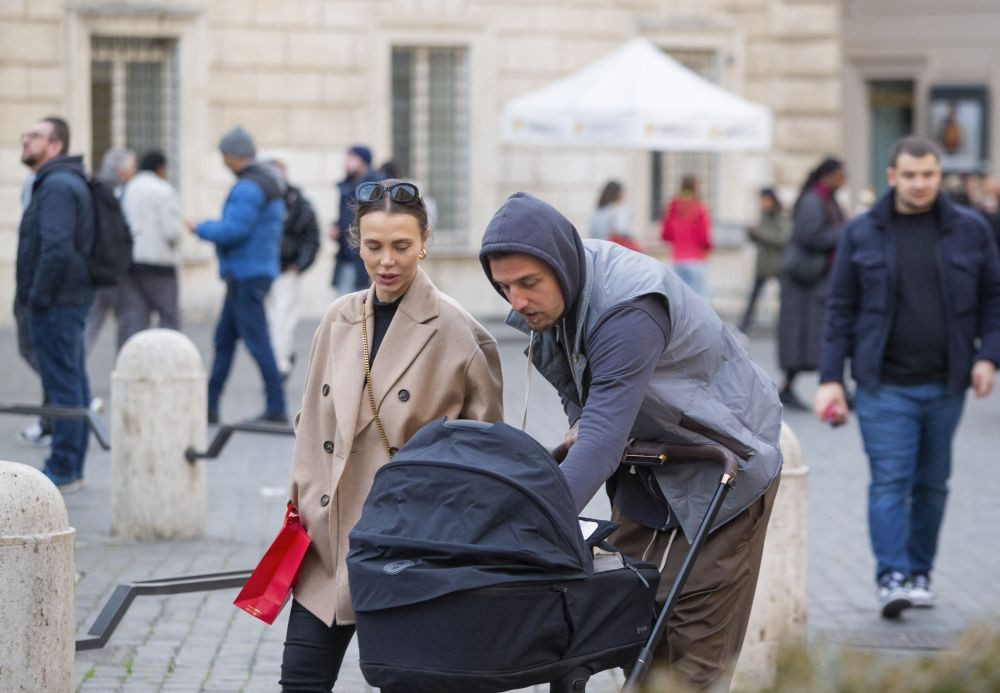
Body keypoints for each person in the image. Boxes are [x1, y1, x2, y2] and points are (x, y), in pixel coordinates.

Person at [480, 192, 782, 689]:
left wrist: (530, 529)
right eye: (503, 286)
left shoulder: (629, 310)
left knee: (691, 660)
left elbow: (599, 441)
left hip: (723, 471)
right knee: (637, 631)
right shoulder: (555, 294)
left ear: (560, 264)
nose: (516, 301)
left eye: (528, 283)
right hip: (646, 466)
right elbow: (579, 398)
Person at [281, 179, 503, 691]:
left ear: (424, 241)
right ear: (356, 243)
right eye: (373, 246)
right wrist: (304, 500)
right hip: (326, 541)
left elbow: (485, 459)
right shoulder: (338, 317)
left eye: (402, 246)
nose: (387, 261)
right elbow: (311, 423)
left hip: (407, 550)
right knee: (300, 682)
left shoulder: (459, 333)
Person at [814, 136, 1000, 619]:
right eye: (911, 175)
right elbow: (840, 308)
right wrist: (830, 378)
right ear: (892, 176)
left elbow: (993, 299)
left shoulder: (970, 230)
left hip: (947, 383)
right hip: (882, 385)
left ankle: (919, 573)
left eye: (929, 174)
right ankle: (892, 576)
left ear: (939, 175)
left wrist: (988, 357)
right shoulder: (862, 232)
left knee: (933, 484)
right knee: (890, 480)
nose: (920, 184)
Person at [15, 116, 94, 492]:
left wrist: (38, 297)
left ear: (56, 146)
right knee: (71, 381)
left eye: (36, 136)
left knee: (63, 385)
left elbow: (56, 247)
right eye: (26, 134)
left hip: (58, 301)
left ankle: (64, 466)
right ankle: (70, 463)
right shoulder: (59, 181)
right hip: (65, 298)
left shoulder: (57, 185)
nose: (26, 140)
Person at [191, 126, 287, 424]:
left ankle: (276, 407)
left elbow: (233, 230)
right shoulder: (265, 181)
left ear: (234, 155)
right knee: (224, 342)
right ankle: (209, 407)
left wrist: (200, 227)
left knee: (258, 343)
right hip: (248, 273)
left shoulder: (248, 187)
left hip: (247, 275)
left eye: (224, 155)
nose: (222, 161)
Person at [777, 157, 846, 410]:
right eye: (840, 176)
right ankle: (789, 386)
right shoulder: (813, 201)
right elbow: (810, 236)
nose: (843, 181)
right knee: (805, 336)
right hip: (804, 278)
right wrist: (845, 231)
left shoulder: (826, 200)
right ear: (828, 176)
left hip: (816, 278)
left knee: (818, 335)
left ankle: (836, 386)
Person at [117, 149, 185, 347]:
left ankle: (131, 359)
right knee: (168, 317)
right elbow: (172, 231)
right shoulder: (164, 190)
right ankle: (169, 357)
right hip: (160, 264)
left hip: (130, 263)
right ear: (160, 168)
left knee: (134, 318)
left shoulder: (125, 190)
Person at [265, 158, 321, 379]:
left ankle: (280, 364)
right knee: (270, 319)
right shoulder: (263, 200)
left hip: (288, 270)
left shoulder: (298, 202)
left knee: (283, 318)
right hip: (265, 270)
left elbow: (312, 236)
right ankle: (278, 361)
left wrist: (301, 264)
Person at [84, 146, 136, 353]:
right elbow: (109, 235)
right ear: (120, 170)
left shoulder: (105, 190)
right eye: (131, 167)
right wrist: (117, 266)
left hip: (105, 270)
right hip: (107, 272)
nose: (133, 172)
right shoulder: (104, 192)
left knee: (94, 322)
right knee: (101, 321)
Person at [739, 188, 791, 333]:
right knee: (754, 297)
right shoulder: (764, 216)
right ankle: (744, 325)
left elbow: (782, 238)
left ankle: (783, 326)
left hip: (778, 264)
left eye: (765, 200)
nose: (762, 203)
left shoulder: (781, 217)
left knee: (784, 298)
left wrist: (760, 234)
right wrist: (752, 234)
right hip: (763, 265)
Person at [330, 145, 378, 296]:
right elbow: (345, 218)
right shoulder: (346, 187)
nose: (347, 163)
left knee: (363, 303)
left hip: (364, 259)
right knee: (344, 303)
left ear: (363, 161)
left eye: (351, 158)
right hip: (346, 257)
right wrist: (337, 228)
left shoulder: (375, 186)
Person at [660, 174, 712, 296]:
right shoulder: (700, 207)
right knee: (699, 298)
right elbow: (704, 236)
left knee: (679, 298)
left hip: (678, 259)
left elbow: (666, 235)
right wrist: (708, 248)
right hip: (697, 259)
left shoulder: (673, 207)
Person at [590, 180, 637, 249]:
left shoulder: (598, 211)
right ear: (617, 194)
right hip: (611, 248)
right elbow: (621, 229)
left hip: (598, 247)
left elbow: (592, 233)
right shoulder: (617, 209)